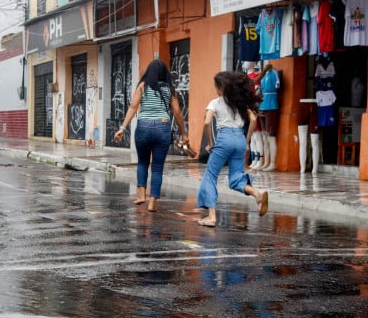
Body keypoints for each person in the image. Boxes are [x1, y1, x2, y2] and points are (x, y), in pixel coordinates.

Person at [195, 71, 270, 227]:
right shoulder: (240, 103)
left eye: (215, 86)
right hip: (240, 140)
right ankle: (257, 193)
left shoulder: (215, 103)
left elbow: (207, 123)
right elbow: (253, 119)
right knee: (236, 177)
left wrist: (210, 143)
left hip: (224, 139)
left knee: (210, 176)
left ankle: (211, 217)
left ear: (219, 88)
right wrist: (246, 140)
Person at [114, 59, 189, 212]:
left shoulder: (142, 87)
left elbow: (133, 107)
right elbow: (177, 113)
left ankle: (141, 195)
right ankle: (152, 201)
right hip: (162, 127)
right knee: (157, 167)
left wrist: (123, 127)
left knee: (142, 162)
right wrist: (184, 133)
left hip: (143, 126)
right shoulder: (169, 89)